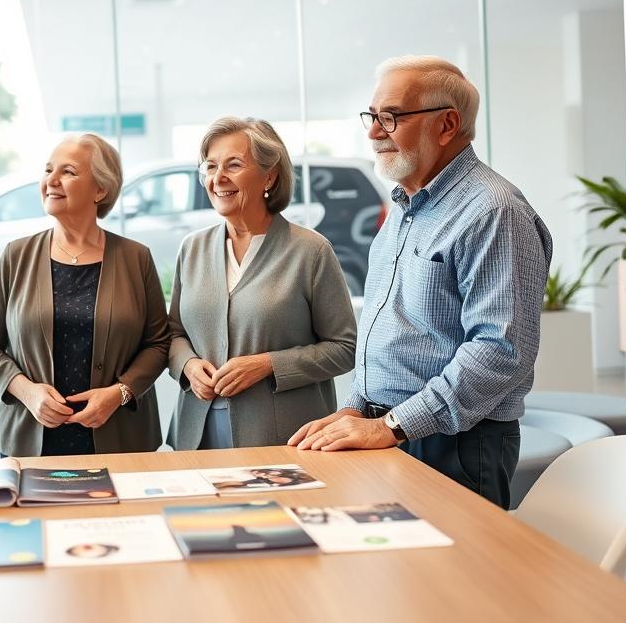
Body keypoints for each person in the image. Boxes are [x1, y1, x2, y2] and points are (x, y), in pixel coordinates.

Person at [289, 55, 552, 510]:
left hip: (454, 444)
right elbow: (391, 327)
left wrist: (390, 425)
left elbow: (500, 351)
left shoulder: (494, 211)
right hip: (391, 431)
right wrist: (357, 407)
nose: (374, 132)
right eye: (372, 116)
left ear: (446, 125)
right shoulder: (405, 208)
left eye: (391, 117)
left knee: (455, 560)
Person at [0, 134, 170, 456]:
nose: (51, 180)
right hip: (29, 440)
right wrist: (28, 392)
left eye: (68, 172)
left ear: (100, 189)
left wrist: (119, 394)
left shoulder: (136, 258)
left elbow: (159, 343)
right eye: (48, 170)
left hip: (120, 438)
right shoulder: (16, 256)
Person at [168, 117, 356, 450]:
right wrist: (188, 365)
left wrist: (267, 365)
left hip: (284, 438)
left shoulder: (310, 250)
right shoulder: (192, 248)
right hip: (197, 435)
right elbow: (174, 333)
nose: (218, 178)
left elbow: (345, 349)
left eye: (233, 165)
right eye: (210, 166)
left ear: (269, 175)